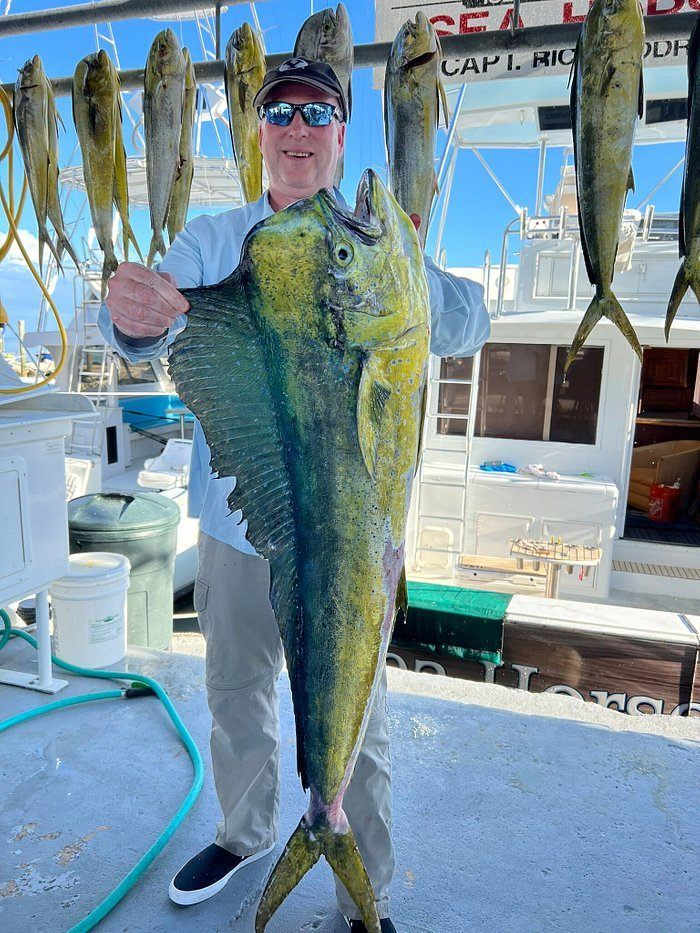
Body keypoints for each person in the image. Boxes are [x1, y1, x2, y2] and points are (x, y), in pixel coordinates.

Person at [100, 57, 490, 933]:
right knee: (235, 691)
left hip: (353, 542)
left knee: (361, 721)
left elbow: (472, 320)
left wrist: (404, 275)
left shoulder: (379, 244)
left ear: (341, 134)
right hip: (238, 528)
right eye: (280, 114)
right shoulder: (215, 237)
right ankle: (243, 835)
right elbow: (135, 333)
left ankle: (363, 888)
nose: (298, 130)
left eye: (317, 113)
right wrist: (130, 313)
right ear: (261, 135)